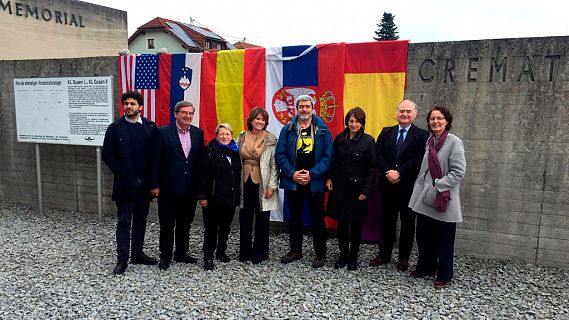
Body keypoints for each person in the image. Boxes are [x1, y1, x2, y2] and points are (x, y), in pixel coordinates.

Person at [408, 106, 466, 289]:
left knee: (444, 240)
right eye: (432, 118)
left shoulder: (454, 142)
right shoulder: (430, 141)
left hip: (443, 198)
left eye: (439, 118)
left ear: (447, 121)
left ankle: (444, 274)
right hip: (426, 198)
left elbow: (458, 172)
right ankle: (426, 267)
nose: (435, 121)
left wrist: (438, 186)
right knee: (425, 237)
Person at [102, 91, 158, 275]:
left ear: (140, 107)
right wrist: (123, 174)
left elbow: (155, 158)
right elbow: (108, 155)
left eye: (133, 103)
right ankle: (122, 259)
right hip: (125, 185)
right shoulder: (115, 128)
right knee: (124, 221)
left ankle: (137, 253)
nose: (129, 106)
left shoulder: (150, 127)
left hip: (144, 185)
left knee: (141, 220)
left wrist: (154, 183)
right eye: (126, 103)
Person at [275, 94, 334, 268]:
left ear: (313, 108)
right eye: (301, 106)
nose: (304, 110)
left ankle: (320, 254)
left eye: (307, 106)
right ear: (296, 108)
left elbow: (328, 157)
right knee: (295, 217)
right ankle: (295, 251)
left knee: (318, 218)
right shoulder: (288, 129)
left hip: (314, 181)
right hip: (294, 181)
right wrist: (292, 174)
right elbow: (280, 154)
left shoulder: (323, 130)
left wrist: (312, 174)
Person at [371, 100, 429, 271]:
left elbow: (419, 158)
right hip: (388, 185)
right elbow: (378, 154)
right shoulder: (386, 132)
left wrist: (400, 172)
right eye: (401, 111)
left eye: (408, 111)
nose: (404, 114)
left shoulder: (422, 135)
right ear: (396, 113)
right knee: (387, 221)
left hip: (408, 187)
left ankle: (404, 258)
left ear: (414, 115)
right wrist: (388, 172)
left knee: (408, 223)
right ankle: (384, 254)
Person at [151, 101, 204, 270]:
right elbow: (155, 161)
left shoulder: (198, 133)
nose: (188, 116)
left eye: (190, 113)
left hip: (189, 189)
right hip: (168, 188)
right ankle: (165, 256)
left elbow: (198, 162)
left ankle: (181, 253)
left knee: (185, 222)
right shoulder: (162, 133)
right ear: (176, 114)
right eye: (184, 113)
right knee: (167, 224)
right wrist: (155, 184)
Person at [326, 107, 376, 270]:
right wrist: (329, 178)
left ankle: (353, 256)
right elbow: (332, 161)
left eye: (357, 122)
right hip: (340, 189)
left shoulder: (368, 141)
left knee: (355, 226)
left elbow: (371, 168)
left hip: (357, 191)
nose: (354, 124)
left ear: (362, 124)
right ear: (347, 122)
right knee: (341, 225)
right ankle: (343, 255)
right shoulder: (340, 138)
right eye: (351, 121)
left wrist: (365, 191)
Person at [237, 108, 279, 264]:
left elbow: (275, 165)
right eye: (257, 119)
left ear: (266, 122)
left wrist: (272, 187)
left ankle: (260, 252)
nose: (260, 122)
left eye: (262, 119)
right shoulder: (242, 136)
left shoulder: (271, 139)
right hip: (244, 182)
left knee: (262, 219)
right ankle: (245, 251)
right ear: (251, 120)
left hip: (263, 183)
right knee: (245, 218)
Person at [198, 123, 242, 271]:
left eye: (227, 134)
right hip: (213, 197)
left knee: (225, 227)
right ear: (217, 135)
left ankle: (221, 251)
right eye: (222, 134)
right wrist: (203, 196)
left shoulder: (236, 152)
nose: (225, 137)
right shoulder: (209, 150)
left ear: (232, 135)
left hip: (230, 197)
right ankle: (208, 256)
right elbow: (202, 175)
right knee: (211, 228)